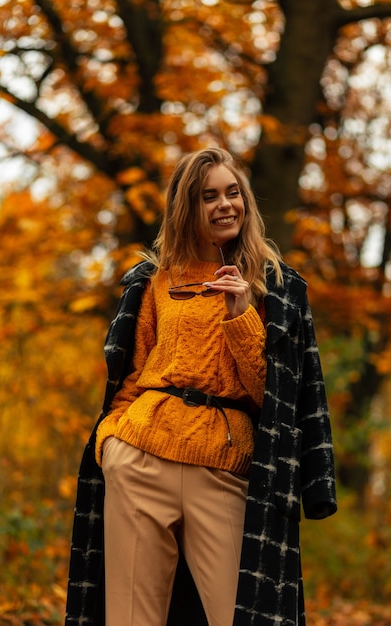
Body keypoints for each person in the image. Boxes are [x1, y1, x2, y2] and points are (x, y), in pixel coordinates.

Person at [65, 147, 337, 626]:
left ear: (247, 201)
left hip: (223, 465)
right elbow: (132, 373)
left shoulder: (276, 285)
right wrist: (111, 442)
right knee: (132, 618)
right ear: (187, 208)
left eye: (233, 193)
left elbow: (272, 398)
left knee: (245, 614)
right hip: (141, 456)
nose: (224, 205)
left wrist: (241, 316)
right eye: (208, 196)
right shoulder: (155, 281)